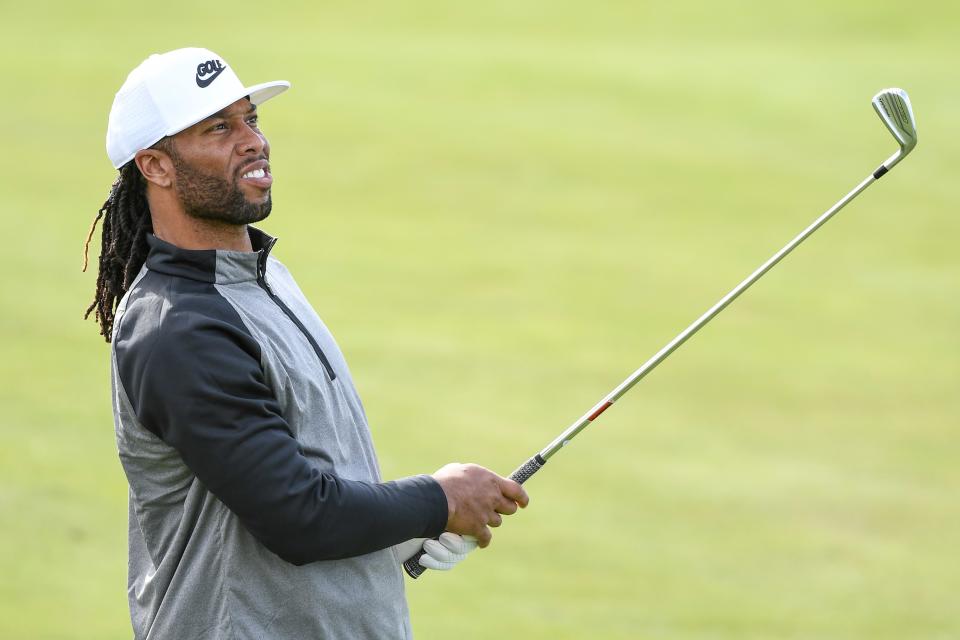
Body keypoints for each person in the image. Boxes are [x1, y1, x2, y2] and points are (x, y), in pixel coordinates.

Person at [83, 47, 529, 640]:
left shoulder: (257, 277)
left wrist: (392, 526)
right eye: (219, 128)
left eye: (251, 120)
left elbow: (303, 471)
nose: (252, 141)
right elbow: (296, 515)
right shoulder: (178, 329)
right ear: (156, 166)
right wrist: (435, 500)